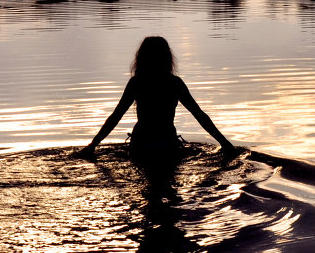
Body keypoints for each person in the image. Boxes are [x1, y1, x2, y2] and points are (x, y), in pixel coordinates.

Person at [77, 36, 236, 160]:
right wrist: (225, 144)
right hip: (167, 144)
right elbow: (200, 116)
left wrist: (92, 146)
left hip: (140, 145)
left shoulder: (136, 83)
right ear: (167, 59)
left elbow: (115, 117)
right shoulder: (174, 83)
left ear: (141, 59)